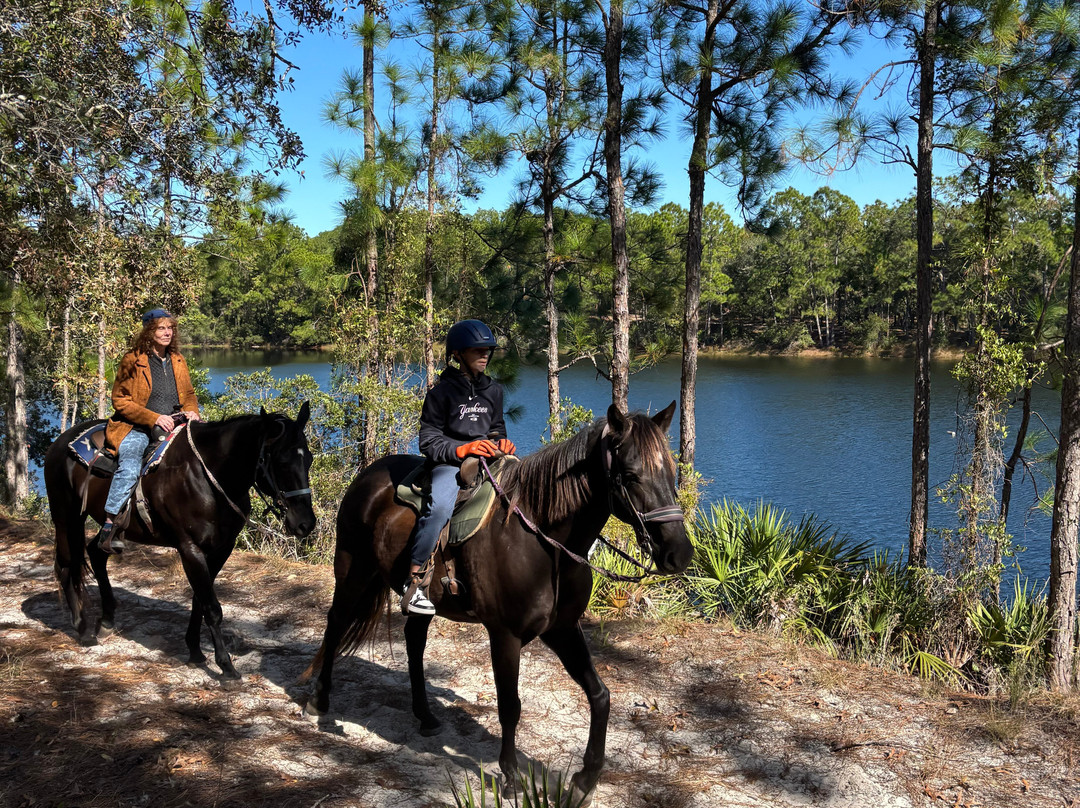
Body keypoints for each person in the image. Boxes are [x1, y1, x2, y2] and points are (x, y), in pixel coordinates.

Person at [404, 319, 516, 615]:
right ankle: (415, 580)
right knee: (440, 507)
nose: (484, 355)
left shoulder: (493, 391)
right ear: (457, 354)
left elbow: (496, 429)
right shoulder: (439, 394)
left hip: (489, 460)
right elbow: (427, 442)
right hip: (449, 464)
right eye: (477, 350)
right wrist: (461, 449)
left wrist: (501, 444)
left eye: (487, 350)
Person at [95, 308, 201, 554]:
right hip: (136, 426)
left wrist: (192, 411)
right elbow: (120, 401)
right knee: (131, 463)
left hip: (176, 423)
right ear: (149, 332)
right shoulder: (133, 359)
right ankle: (110, 525)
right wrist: (154, 417)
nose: (167, 333)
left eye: (170, 328)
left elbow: (190, 394)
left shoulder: (177, 359)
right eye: (161, 328)